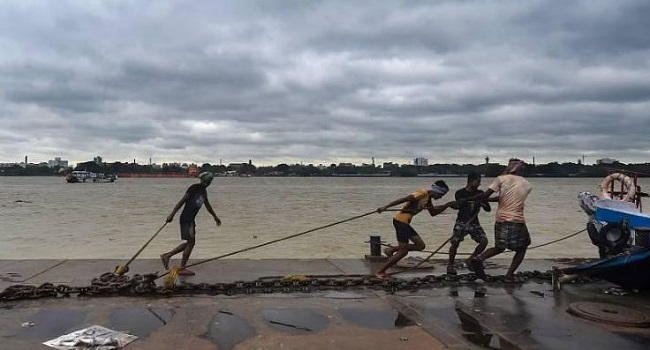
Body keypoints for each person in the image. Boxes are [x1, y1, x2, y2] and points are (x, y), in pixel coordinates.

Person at [462, 158, 532, 282]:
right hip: (517, 219)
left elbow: (486, 195)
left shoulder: (500, 179)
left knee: (499, 247)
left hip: (500, 219)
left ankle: (479, 258)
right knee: (522, 248)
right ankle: (509, 274)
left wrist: (468, 199)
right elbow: (506, 197)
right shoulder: (527, 185)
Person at [375, 180, 455, 279]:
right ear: (437, 191)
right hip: (401, 221)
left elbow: (433, 212)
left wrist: (446, 205)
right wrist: (385, 207)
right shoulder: (422, 193)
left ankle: (391, 249)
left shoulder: (428, 199)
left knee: (420, 245)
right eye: (441, 195)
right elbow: (404, 199)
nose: (441, 197)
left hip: (405, 222)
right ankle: (380, 271)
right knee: (403, 252)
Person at [160, 172, 221, 275]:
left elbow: (208, 206)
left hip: (190, 219)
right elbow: (182, 201)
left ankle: (167, 256)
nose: (207, 183)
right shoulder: (194, 188)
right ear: (203, 180)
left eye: (209, 182)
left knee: (190, 242)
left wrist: (215, 217)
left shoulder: (203, 192)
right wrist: (172, 214)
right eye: (207, 181)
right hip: (186, 219)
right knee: (191, 243)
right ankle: (181, 267)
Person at [447, 172, 491, 275]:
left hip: (474, 222)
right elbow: (459, 206)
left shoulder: (481, 193)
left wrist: (483, 203)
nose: (479, 184)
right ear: (471, 181)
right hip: (462, 221)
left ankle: (471, 259)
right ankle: (450, 265)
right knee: (455, 243)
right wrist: (452, 205)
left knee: (484, 241)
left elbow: (488, 209)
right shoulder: (460, 193)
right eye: (478, 181)